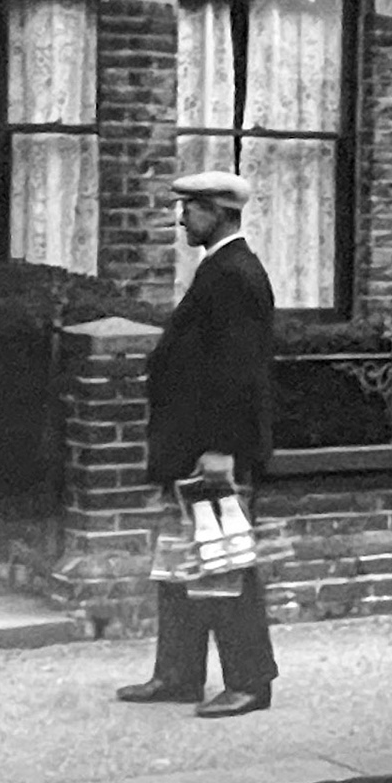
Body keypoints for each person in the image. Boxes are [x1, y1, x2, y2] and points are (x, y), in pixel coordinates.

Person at [117, 169, 279, 718]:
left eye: (190, 208)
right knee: (182, 562)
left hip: (213, 452)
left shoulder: (235, 275)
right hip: (190, 448)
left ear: (218, 212)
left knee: (225, 564)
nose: (181, 218)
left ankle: (250, 681)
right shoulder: (219, 269)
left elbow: (240, 372)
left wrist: (222, 448)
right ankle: (179, 675)